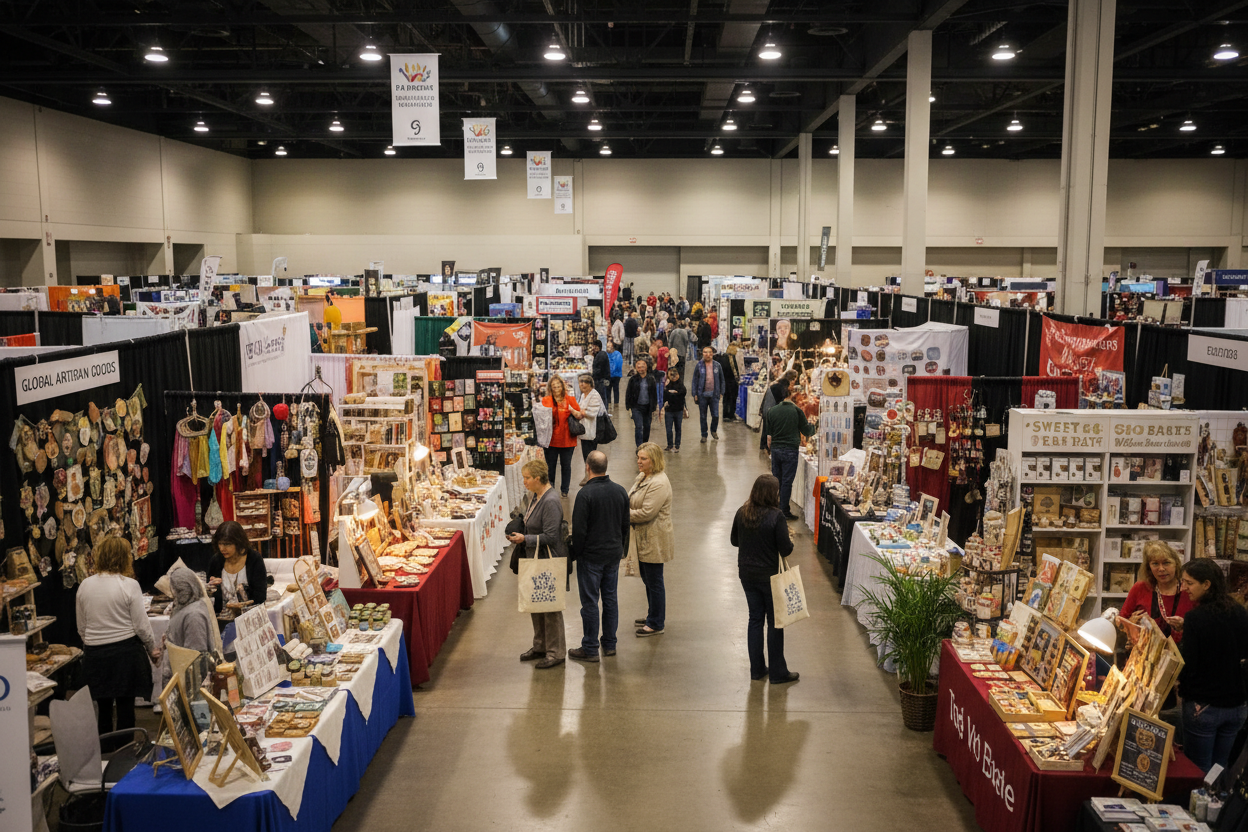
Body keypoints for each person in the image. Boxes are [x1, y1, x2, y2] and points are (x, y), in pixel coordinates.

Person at [76, 537, 159, 735]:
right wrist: (152, 650)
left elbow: (81, 627)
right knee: (125, 707)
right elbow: (142, 626)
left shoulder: (84, 586)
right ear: (124, 558)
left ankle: (104, 751)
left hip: (95, 654)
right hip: (125, 653)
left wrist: (93, 645)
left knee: (103, 708)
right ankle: (125, 752)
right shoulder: (129, 585)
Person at [1175, 558, 1248, 772]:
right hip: (1237, 706)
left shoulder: (1196, 618)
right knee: (1219, 767)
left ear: (1206, 584)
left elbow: (1190, 664)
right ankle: (1216, 803)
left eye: (1189, 583)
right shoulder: (1240, 612)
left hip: (1204, 706)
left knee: (1198, 770)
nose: (1184, 588)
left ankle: (1197, 805)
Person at [731, 474, 799, 685]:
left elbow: (734, 541)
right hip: (770, 576)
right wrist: (790, 538)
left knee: (755, 619)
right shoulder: (776, 516)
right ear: (773, 494)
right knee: (775, 622)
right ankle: (778, 672)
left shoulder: (742, 512)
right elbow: (785, 549)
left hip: (747, 574)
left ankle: (757, 669)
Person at [568, 450, 631, 662]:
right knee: (610, 599)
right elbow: (625, 525)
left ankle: (590, 648)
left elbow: (579, 531)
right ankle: (610, 644)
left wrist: (577, 553)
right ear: (606, 467)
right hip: (612, 555)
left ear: (587, 467)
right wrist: (620, 549)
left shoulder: (585, 495)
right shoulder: (620, 491)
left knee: (590, 603)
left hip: (591, 557)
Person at [507, 459, 568, 669]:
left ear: (538, 479)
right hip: (535, 558)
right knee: (536, 603)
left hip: (545, 560)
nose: (524, 481)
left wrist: (526, 540)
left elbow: (552, 536)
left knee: (550, 606)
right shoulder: (536, 496)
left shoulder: (550, 501)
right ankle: (540, 645)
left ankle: (556, 651)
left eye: (527, 478)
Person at [630, 443, 674, 637]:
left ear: (654, 461)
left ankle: (657, 622)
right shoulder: (643, 477)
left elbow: (647, 513)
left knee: (655, 581)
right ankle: (652, 614)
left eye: (644, 458)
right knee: (648, 579)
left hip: (654, 537)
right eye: (638, 457)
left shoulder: (659, 483)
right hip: (643, 536)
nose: (639, 461)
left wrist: (622, 514)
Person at [1117, 541, 1193, 643]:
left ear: (1176, 564)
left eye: (1166, 563)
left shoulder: (1189, 591)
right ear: (1149, 567)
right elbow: (1121, 621)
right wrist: (1130, 624)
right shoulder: (1140, 588)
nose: (1161, 569)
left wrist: (1184, 626)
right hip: (1144, 654)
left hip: (1180, 655)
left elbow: (1200, 630)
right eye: (1155, 564)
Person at [160, 566, 218, 688]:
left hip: (187, 684)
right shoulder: (185, 607)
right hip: (179, 677)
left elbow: (195, 657)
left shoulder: (194, 615)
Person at [764, 383, 815, 519]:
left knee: (776, 480)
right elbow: (807, 430)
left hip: (776, 449)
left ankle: (774, 506)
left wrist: (772, 449)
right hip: (790, 450)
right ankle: (784, 511)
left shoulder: (772, 411)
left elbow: (768, 437)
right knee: (787, 481)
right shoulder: (797, 411)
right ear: (790, 395)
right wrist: (814, 426)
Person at [207, 520, 269, 620]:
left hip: (250, 618)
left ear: (238, 542)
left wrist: (244, 604)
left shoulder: (254, 559)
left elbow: (260, 596)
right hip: (222, 620)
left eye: (227, 544)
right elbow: (212, 599)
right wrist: (210, 589)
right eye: (220, 544)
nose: (222, 548)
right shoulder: (216, 561)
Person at [541, 375, 582, 497]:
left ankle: (565, 490)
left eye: (558, 386)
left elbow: (579, 416)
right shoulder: (546, 400)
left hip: (567, 439)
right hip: (551, 440)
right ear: (550, 388)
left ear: (563, 386)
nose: (557, 388)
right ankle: (550, 488)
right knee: (550, 466)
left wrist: (572, 411)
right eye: (554, 387)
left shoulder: (570, 399)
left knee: (566, 465)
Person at [575, 374, 606, 485]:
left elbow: (592, 413)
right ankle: (588, 476)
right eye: (580, 382)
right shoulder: (583, 395)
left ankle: (590, 477)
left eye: (585, 382)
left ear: (590, 384)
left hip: (592, 430)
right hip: (585, 431)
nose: (582, 384)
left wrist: (579, 412)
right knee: (586, 454)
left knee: (589, 454)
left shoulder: (594, 395)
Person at [692, 346, 725, 443]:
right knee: (703, 416)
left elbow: (722, 380)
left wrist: (721, 392)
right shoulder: (699, 366)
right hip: (702, 395)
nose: (707, 354)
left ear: (712, 354)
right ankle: (704, 434)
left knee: (715, 415)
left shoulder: (717, 366)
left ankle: (713, 430)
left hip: (714, 395)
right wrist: (695, 393)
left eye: (709, 352)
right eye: (705, 352)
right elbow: (695, 380)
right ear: (702, 354)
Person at [625, 358, 659, 446]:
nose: (641, 369)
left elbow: (654, 394)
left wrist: (654, 407)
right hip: (636, 407)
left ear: (646, 367)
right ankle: (639, 446)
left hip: (648, 407)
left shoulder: (651, 379)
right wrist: (628, 407)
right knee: (639, 427)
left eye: (643, 366)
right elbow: (628, 393)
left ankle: (645, 444)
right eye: (638, 367)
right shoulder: (633, 379)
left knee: (647, 427)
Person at [660, 367, 688, 452]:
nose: (673, 376)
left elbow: (681, 395)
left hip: (678, 410)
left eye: (675, 374)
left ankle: (677, 445)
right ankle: (669, 445)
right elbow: (665, 396)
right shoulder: (666, 385)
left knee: (678, 428)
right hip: (669, 411)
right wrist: (673, 393)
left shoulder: (681, 386)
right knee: (668, 429)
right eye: (671, 374)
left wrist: (671, 394)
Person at [719, 343, 741, 423]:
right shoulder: (732, 359)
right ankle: (731, 414)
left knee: (726, 398)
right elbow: (735, 370)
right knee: (732, 398)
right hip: (731, 381)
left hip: (724, 381)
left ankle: (725, 415)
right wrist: (738, 379)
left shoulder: (723, 358)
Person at [607, 341, 624, 405]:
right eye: (607, 346)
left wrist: (611, 371)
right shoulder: (606, 354)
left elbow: (618, 364)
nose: (608, 348)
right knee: (608, 389)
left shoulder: (617, 354)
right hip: (609, 375)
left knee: (615, 389)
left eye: (609, 346)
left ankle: (616, 403)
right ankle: (609, 403)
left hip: (616, 375)